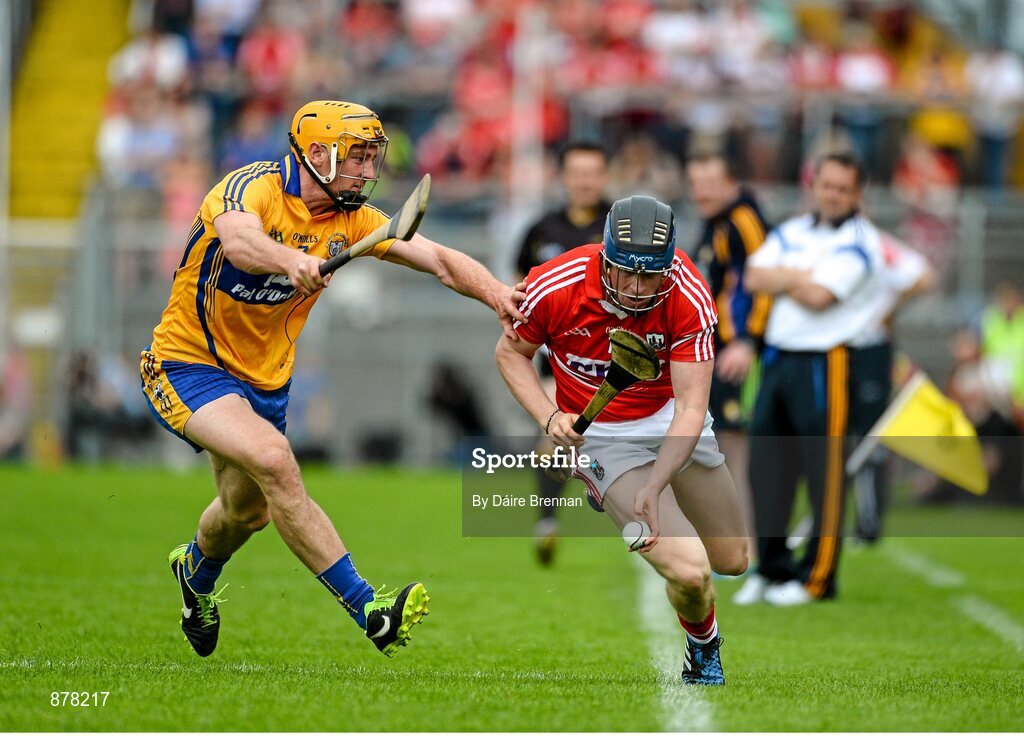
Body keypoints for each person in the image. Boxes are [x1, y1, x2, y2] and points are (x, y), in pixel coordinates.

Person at [141, 100, 526, 658]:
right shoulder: (248, 189)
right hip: (187, 363)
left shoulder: (353, 221)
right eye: (359, 159)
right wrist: (285, 259)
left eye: (374, 160)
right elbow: (238, 242)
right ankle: (371, 609)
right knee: (275, 461)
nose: (369, 173)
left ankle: (194, 575)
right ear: (317, 153)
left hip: (266, 381)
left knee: (247, 513)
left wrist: (497, 294)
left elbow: (440, 260)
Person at [495, 195, 749, 685]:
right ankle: (703, 647)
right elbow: (510, 355)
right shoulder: (557, 283)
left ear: (669, 264)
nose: (635, 288)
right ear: (605, 257)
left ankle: (636, 491)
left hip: (671, 418)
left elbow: (693, 407)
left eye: (649, 275)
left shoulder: (690, 294)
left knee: (733, 560)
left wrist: (655, 485)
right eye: (625, 273)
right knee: (693, 572)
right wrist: (550, 418)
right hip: (604, 438)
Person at [737, 151, 883, 606]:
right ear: (813, 185)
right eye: (827, 186)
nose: (834, 195)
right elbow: (753, 276)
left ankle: (817, 578)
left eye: (844, 188)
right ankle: (771, 568)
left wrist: (786, 278)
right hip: (778, 361)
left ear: (858, 193)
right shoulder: (792, 229)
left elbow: (821, 297)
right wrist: (795, 277)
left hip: (827, 363)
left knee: (824, 474)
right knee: (766, 471)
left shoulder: (863, 241)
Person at [514, 141, 611, 566]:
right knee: (555, 436)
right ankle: (548, 521)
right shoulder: (542, 229)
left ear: (603, 176)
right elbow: (519, 283)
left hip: (616, 362)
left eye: (593, 172)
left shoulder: (618, 225)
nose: (585, 181)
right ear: (564, 177)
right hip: (559, 359)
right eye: (577, 172)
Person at [685, 151, 772, 557]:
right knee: (724, 444)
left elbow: (764, 278)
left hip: (738, 352)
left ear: (732, 183)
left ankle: (748, 545)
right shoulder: (715, 224)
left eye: (710, 182)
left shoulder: (742, 220)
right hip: (717, 349)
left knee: (736, 447)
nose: (701, 191)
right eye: (695, 182)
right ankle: (735, 542)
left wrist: (748, 341)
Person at [846, 232, 935, 542]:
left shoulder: (875, 243)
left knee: (869, 437)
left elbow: (923, 276)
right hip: (832, 350)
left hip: (869, 351)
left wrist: (887, 313)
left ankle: (868, 523)